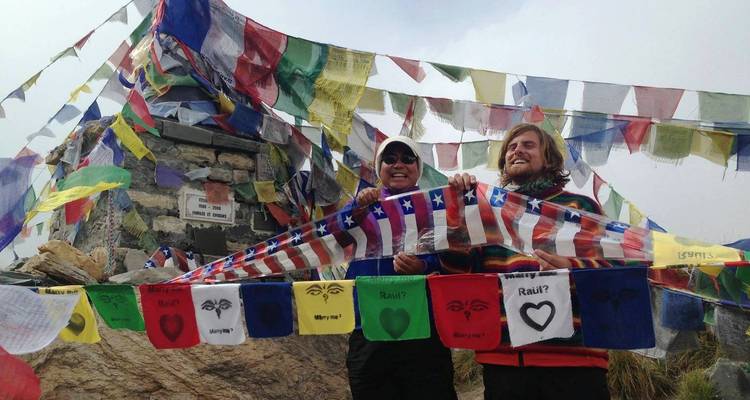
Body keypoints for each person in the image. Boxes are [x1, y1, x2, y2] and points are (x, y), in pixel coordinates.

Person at [445, 123, 611, 400]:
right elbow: (458, 272)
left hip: (576, 361)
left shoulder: (581, 208)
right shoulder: (486, 213)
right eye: (511, 147)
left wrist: (572, 268)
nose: (517, 150)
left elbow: (615, 271)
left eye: (528, 145)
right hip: (505, 362)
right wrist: (457, 212)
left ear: (549, 158)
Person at [345, 136, 458, 400]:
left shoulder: (435, 208)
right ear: (379, 167)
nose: (399, 165)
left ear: (418, 168)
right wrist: (356, 207)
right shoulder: (362, 207)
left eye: (408, 159)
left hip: (423, 327)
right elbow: (334, 236)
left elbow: (452, 258)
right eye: (390, 159)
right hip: (369, 327)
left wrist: (423, 266)